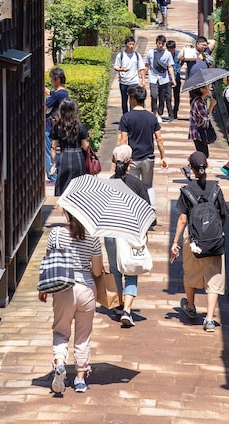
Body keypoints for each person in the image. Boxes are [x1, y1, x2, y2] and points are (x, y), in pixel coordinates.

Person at [39, 211, 103, 394]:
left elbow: (50, 263)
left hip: (63, 289)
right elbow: (97, 272)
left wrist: (43, 289)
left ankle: (59, 364)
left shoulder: (56, 234)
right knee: (83, 335)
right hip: (86, 290)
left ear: (67, 212)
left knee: (61, 330)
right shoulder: (93, 236)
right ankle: (80, 379)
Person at [170, 151, 229, 331]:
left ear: (191, 168)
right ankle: (210, 319)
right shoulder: (216, 189)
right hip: (214, 239)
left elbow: (182, 219)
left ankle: (191, 306)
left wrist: (175, 242)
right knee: (214, 276)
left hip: (193, 239)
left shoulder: (186, 191)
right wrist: (215, 232)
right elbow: (223, 215)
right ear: (207, 166)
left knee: (190, 273)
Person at [104, 144, 152, 328]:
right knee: (131, 272)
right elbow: (147, 213)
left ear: (113, 161)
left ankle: (118, 305)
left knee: (115, 270)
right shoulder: (137, 185)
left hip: (110, 234)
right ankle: (127, 310)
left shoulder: (107, 184)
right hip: (130, 233)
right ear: (130, 162)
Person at [118, 86, 168, 190]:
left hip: (132, 159)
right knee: (148, 188)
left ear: (133, 99)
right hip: (148, 158)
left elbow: (123, 139)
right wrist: (163, 157)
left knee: (132, 188)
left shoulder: (126, 117)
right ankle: (150, 205)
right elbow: (159, 139)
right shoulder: (152, 117)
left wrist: (121, 159)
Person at [50, 98, 89, 196]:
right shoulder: (80, 126)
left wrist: (53, 163)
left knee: (64, 187)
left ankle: (65, 210)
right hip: (78, 156)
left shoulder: (57, 126)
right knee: (79, 187)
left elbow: (53, 147)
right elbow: (85, 146)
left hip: (64, 158)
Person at [45, 67, 69, 185]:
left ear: (57, 80)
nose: (51, 82)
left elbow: (45, 105)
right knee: (54, 151)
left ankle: (53, 177)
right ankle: (57, 174)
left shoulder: (58, 95)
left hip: (49, 127)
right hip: (57, 126)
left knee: (49, 152)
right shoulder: (63, 93)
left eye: (52, 80)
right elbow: (51, 93)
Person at [145, 34, 176, 121]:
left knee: (162, 97)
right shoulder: (150, 53)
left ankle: (160, 113)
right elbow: (147, 65)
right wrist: (143, 77)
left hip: (164, 78)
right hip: (153, 77)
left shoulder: (167, 54)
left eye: (162, 44)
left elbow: (170, 67)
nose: (160, 45)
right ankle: (154, 113)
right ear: (156, 43)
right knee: (154, 95)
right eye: (159, 43)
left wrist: (173, 79)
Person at [113, 36, 147, 115]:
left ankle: (133, 115)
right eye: (129, 44)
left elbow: (141, 68)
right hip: (123, 82)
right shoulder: (120, 55)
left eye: (132, 44)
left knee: (134, 99)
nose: (131, 46)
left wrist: (143, 79)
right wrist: (121, 70)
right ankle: (125, 116)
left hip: (133, 81)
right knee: (124, 101)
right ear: (126, 44)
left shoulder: (137, 55)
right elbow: (116, 67)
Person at [189, 80, 216, 157]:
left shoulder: (201, 100)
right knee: (203, 155)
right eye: (207, 87)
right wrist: (211, 105)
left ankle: (189, 167)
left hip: (200, 132)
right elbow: (205, 117)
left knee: (203, 155)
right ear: (201, 89)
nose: (209, 89)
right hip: (198, 132)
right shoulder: (198, 102)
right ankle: (188, 167)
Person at [166, 39, 182, 120]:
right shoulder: (165, 55)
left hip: (177, 78)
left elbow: (182, 60)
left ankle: (175, 111)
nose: (170, 51)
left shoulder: (178, 54)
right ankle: (170, 113)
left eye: (171, 49)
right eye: (168, 49)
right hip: (167, 78)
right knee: (168, 97)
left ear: (174, 48)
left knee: (177, 96)